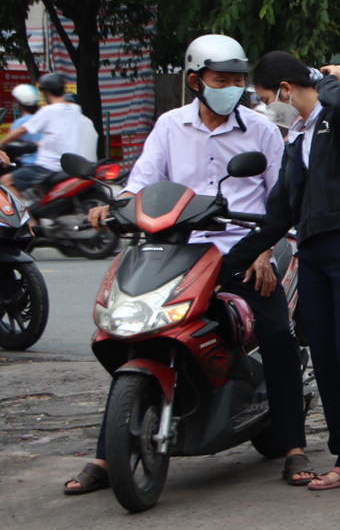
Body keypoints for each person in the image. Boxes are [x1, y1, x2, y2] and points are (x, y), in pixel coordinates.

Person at [62, 34, 311, 495]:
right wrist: (110, 207)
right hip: (177, 246)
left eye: (239, 80)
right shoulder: (170, 126)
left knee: (276, 332)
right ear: (196, 81)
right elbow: (141, 182)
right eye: (222, 80)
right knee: (135, 329)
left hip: (243, 248)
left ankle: (294, 446)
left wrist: (265, 249)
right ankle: (106, 452)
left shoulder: (260, 131)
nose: (233, 88)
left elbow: (283, 198)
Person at [223, 52, 340, 499]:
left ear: (285, 88)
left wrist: (324, 79)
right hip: (313, 249)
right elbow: (278, 213)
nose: (265, 107)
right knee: (327, 356)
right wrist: (226, 266)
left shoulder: (339, 115)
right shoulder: (297, 138)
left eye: (265, 97)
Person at [0, 73, 97, 195]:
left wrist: (2, 142)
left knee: (6, 181)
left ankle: (25, 214)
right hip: (68, 165)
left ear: (46, 92)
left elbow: (22, 130)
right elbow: (58, 133)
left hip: (47, 167)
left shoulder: (48, 111)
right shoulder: (74, 109)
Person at [8, 84, 42, 166]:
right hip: (45, 165)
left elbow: (9, 144)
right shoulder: (41, 119)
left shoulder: (21, 122)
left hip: (28, 165)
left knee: (5, 179)